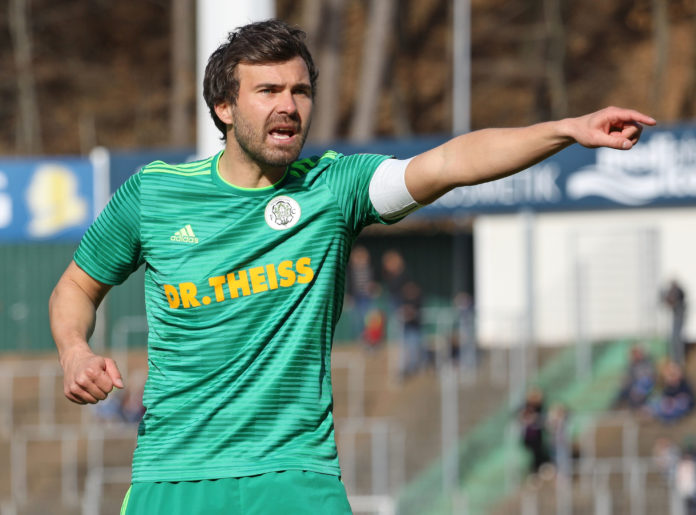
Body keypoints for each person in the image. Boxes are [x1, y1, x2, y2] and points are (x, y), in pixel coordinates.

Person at [47, 18, 655, 515]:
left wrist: (566, 129)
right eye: (268, 91)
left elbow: (449, 163)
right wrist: (75, 350)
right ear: (224, 107)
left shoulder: (334, 189)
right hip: (173, 478)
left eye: (300, 91)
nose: (289, 106)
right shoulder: (154, 195)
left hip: (295, 476)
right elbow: (76, 285)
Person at [663, 279, 687, 364]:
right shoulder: (674, 291)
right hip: (676, 316)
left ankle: (678, 359)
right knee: (675, 338)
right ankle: (676, 359)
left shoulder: (679, 292)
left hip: (678, 315)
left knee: (677, 337)